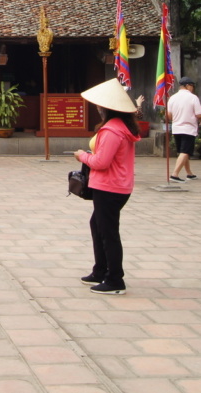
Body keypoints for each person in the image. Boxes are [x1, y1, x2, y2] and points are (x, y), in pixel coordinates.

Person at [72, 78, 139, 295]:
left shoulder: (111, 130)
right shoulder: (122, 126)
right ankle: (100, 270)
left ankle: (115, 279)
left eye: (100, 106)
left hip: (109, 186)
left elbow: (101, 162)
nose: (98, 109)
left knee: (108, 232)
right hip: (117, 185)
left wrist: (82, 156)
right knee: (98, 226)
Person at [167, 76, 201, 182]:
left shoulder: (172, 98)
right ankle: (175, 174)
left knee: (183, 152)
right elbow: (199, 114)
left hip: (176, 128)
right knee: (185, 151)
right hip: (188, 128)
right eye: (192, 86)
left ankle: (189, 173)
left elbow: (169, 115)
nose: (192, 88)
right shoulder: (193, 98)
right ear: (187, 86)